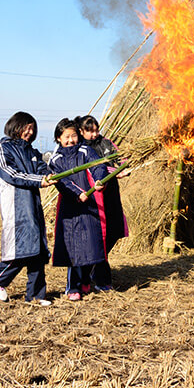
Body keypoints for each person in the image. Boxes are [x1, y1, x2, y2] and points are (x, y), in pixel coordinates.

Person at [0, 111, 54, 306]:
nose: (29, 132)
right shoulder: (3, 148)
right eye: (26, 127)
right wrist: (39, 180)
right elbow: (11, 173)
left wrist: (55, 175)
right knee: (21, 248)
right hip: (16, 205)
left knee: (38, 251)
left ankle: (36, 295)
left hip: (33, 204)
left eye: (33, 128)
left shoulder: (32, 152)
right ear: (15, 126)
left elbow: (44, 169)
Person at [48, 118, 109, 301]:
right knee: (73, 247)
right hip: (70, 205)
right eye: (66, 136)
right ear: (59, 138)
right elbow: (62, 181)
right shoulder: (55, 159)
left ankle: (85, 281)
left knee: (90, 243)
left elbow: (99, 165)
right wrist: (77, 193)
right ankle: (72, 287)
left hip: (88, 203)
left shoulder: (85, 150)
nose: (71, 140)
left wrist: (100, 181)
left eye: (74, 135)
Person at [76, 115, 128, 290]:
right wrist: (110, 171)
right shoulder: (79, 147)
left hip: (110, 193)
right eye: (90, 131)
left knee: (113, 231)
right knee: (97, 235)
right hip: (92, 195)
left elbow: (122, 160)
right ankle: (98, 277)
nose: (94, 134)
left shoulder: (106, 143)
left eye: (96, 129)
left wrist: (122, 169)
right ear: (81, 131)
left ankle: (93, 269)